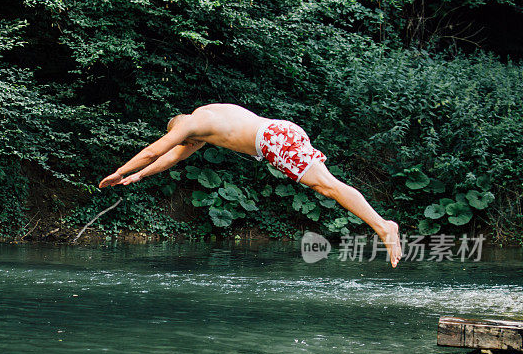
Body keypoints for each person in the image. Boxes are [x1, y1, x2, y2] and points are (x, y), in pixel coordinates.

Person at [98, 103, 402, 267]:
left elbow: (157, 151)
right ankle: (381, 225)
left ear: (176, 126)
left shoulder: (187, 125)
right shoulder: (206, 116)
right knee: (326, 186)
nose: (188, 146)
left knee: (328, 186)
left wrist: (119, 171)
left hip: (272, 140)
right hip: (279, 132)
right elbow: (171, 159)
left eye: (186, 141)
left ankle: (383, 225)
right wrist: (137, 176)